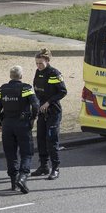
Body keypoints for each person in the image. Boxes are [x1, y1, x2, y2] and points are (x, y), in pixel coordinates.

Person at [0, 65, 39, 194]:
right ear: (21, 76)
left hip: (7, 125)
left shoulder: (3, 89)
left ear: (10, 76)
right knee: (27, 153)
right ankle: (22, 177)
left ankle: (13, 182)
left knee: (10, 154)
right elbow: (35, 105)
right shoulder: (26, 88)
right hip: (22, 124)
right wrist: (33, 118)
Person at [32, 48, 67, 180]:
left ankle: (55, 168)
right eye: (36, 63)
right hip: (42, 111)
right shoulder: (37, 72)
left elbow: (62, 91)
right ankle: (44, 166)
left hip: (53, 112)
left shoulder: (54, 73)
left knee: (52, 141)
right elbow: (36, 90)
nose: (38, 66)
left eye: (40, 63)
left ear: (47, 61)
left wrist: (49, 102)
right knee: (40, 139)